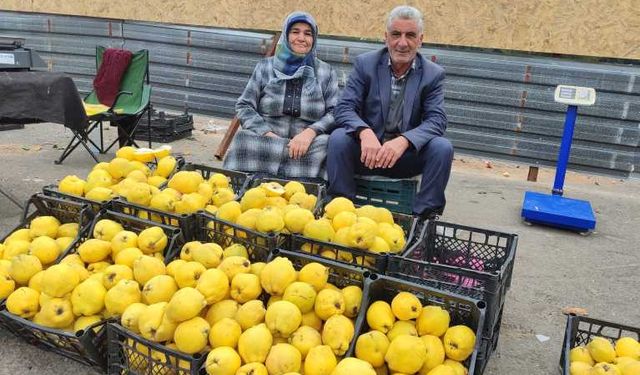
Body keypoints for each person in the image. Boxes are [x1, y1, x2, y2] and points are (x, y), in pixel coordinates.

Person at [326, 5, 453, 219]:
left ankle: (423, 220)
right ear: (386, 37)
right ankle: (340, 210)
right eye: (396, 34)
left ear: (420, 40)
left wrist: (404, 141)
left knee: (442, 148)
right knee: (338, 138)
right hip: (367, 153)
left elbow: (437, 120)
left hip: (403, 158)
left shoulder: (433, 75)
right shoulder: (365, 64)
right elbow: (344, 108)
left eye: (410, 35)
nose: (402, 43)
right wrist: (364, 133)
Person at [223, 11, 339, 179]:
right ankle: (252, 183)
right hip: (266, 142)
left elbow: (335, 112)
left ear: (314, 39)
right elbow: (244, 106)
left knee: (327, 144)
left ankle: (305, 185)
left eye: (308, 34)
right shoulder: (265, 67)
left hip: (307, 146)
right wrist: (266, 133)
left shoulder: (326, 72)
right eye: (295, 32)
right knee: (243, 138)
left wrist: (310, 133)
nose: (301, 38)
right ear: (286, 34)